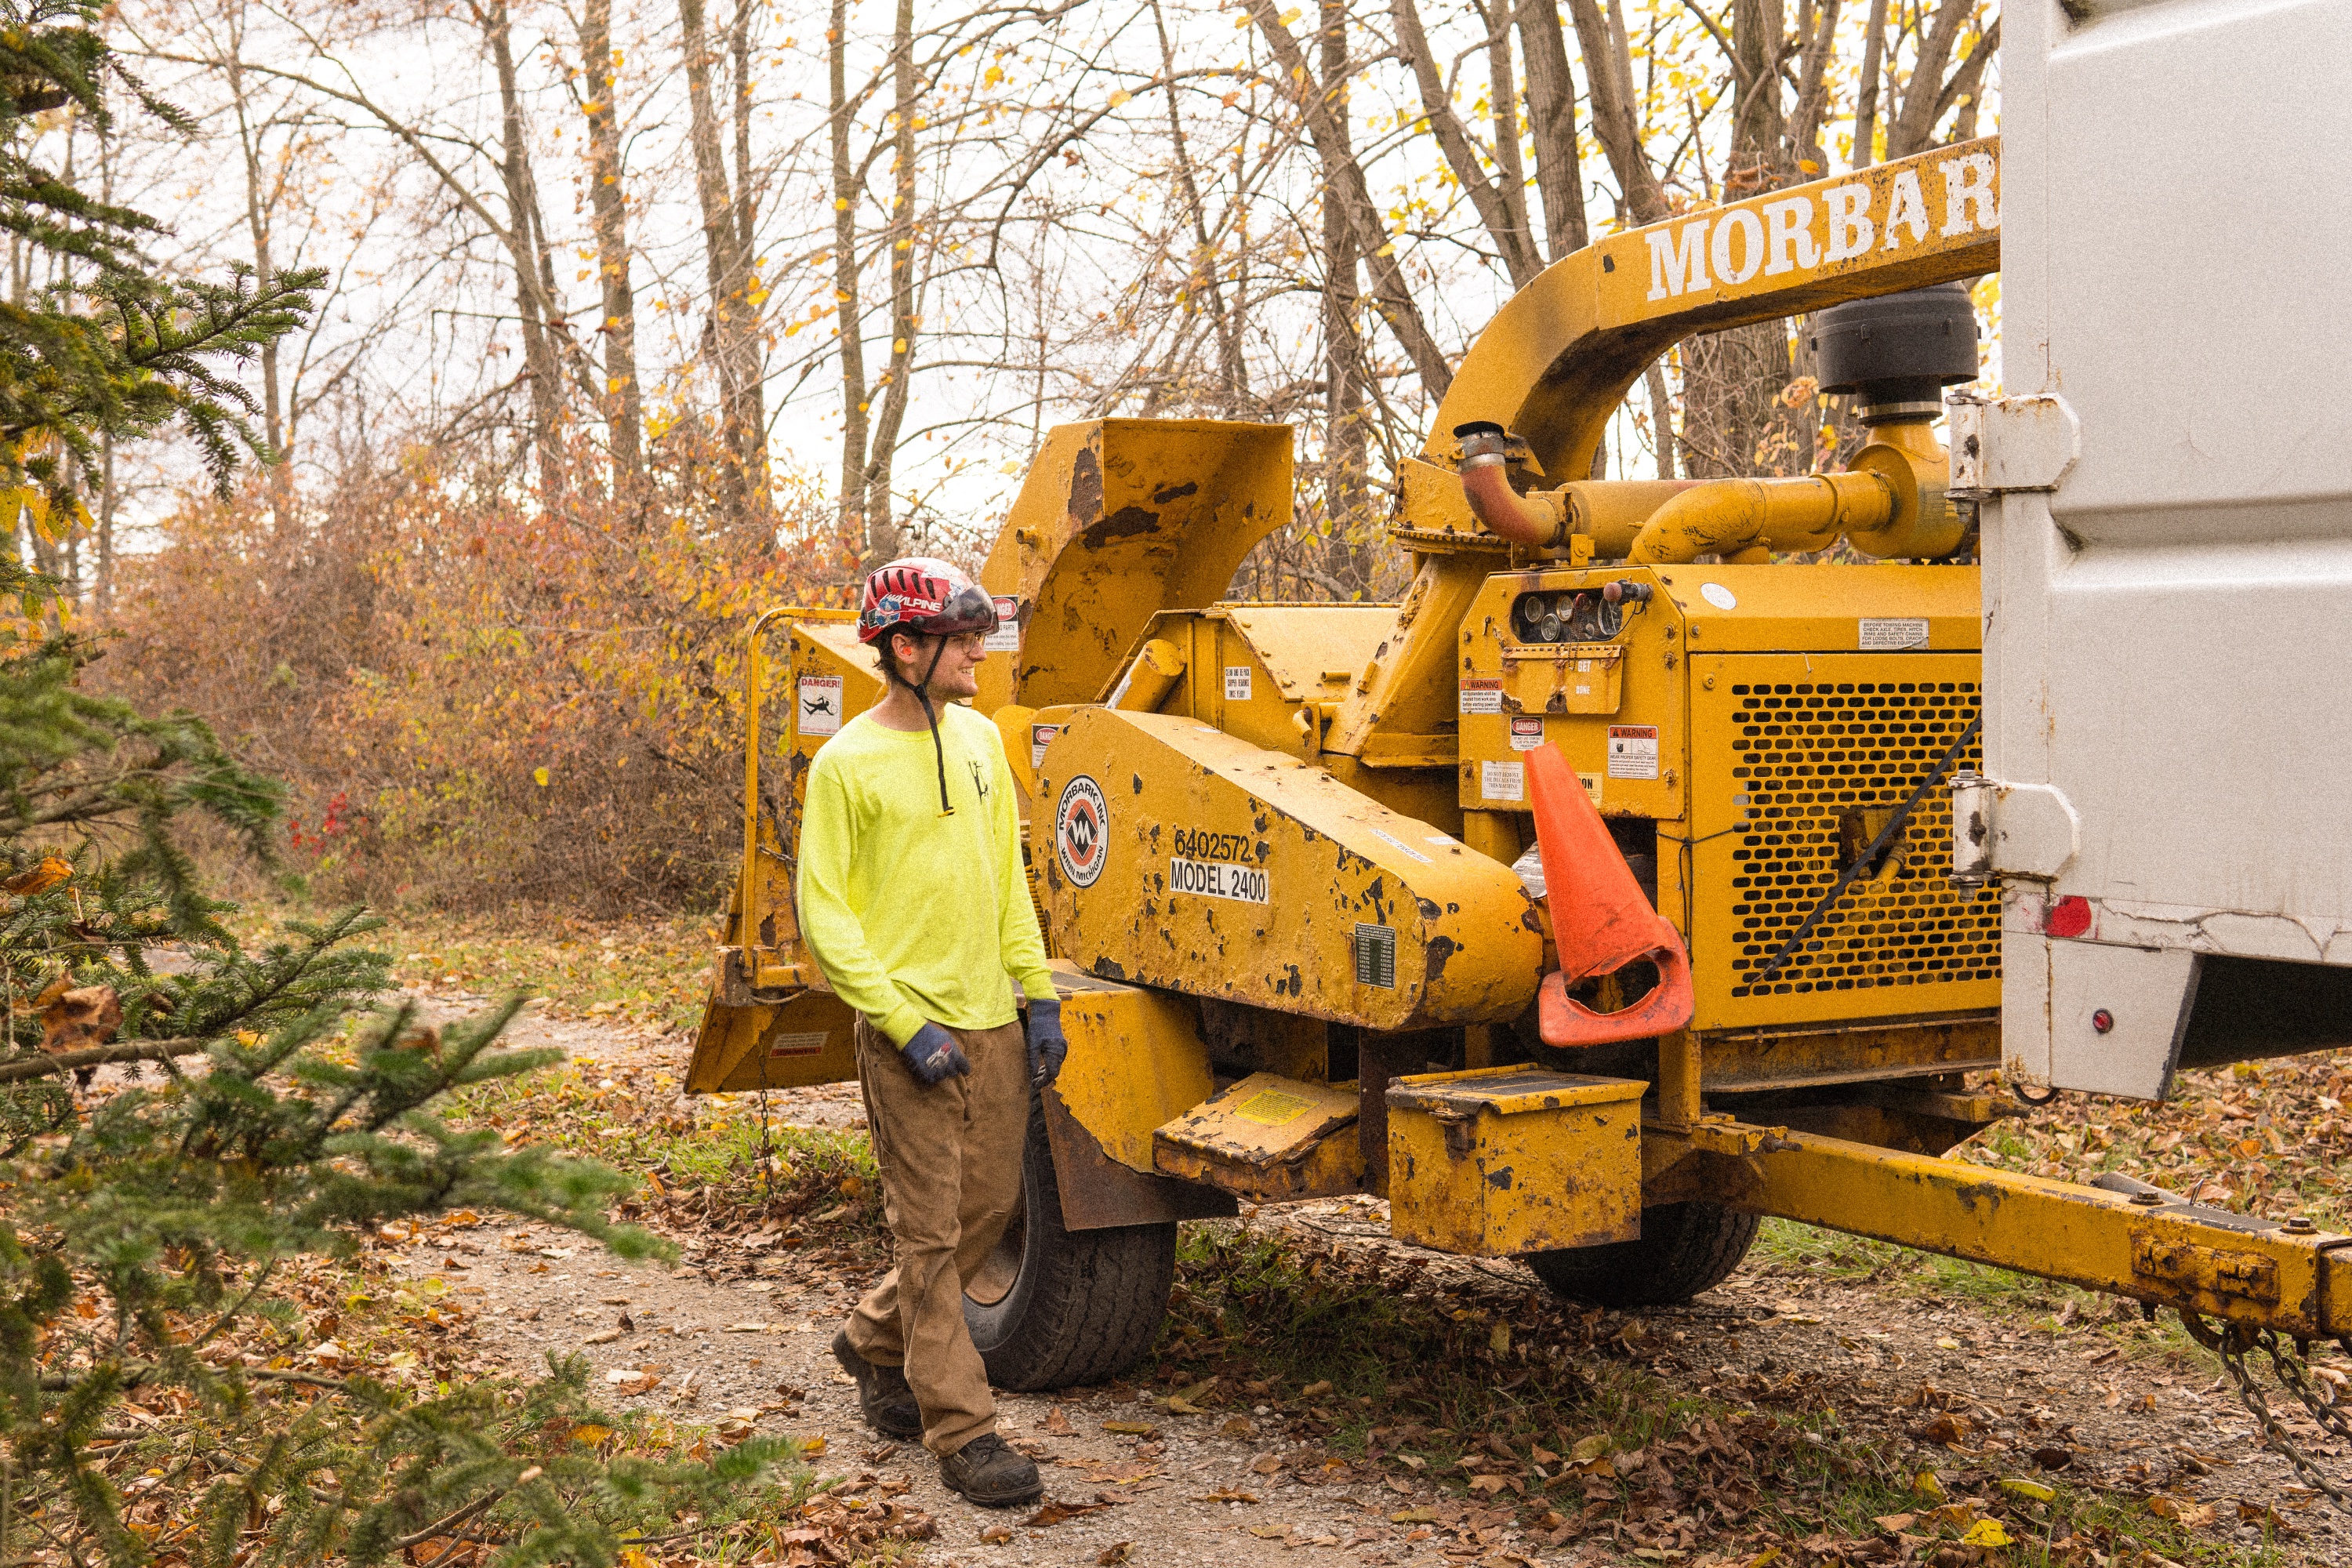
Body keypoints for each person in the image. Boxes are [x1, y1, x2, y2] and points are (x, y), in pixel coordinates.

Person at [793, 557, 1069, 1508]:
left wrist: (1038, 995)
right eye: (963, 640)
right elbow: (824, 912)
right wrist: (904, 1024)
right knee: (926, 1231)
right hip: (910, 1033)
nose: (979, 655)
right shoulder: (846, 764)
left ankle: (872, 1336)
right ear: (906, 649)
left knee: (984, 1212)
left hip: (992, 1017)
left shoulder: (986, 741)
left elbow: (1007, 880)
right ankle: (963, 1427)